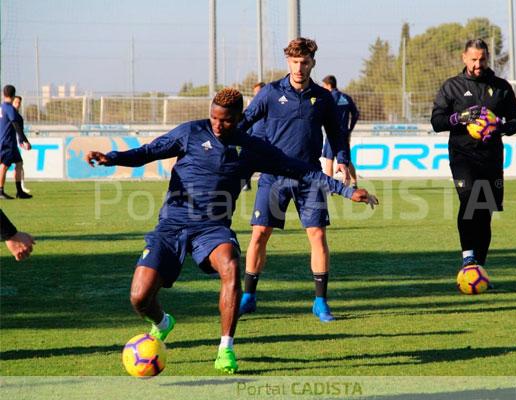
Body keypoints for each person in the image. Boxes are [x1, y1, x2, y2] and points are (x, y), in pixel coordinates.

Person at [85, 88, 377, 374]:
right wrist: (112, 157)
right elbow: (148, 152)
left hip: (212, 229)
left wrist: (344, 190)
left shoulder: (252, 148)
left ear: (238, 118)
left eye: (225, 120)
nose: (217, 124)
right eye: (214, 117)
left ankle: (226, 348)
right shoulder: (190, 133)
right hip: (172, 225)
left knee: (231, 265)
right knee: (139, 297)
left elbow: (301, 170)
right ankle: (162, 323)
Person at [238, 38, 351, 322]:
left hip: (310, 177)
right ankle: (248, 296)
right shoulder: (270, 93)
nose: (299, 68)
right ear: (288, 62)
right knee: (260, 234)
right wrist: (226, 144)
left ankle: (320, 302)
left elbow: (337, 134)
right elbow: (244, 122)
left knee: (317, 235)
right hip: (273, 176)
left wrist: (343, 160)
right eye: (295, 62)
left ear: (313, 62)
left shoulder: (324, 98)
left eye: (305, 62)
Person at [431, 38, 516, 269]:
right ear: (464, 57)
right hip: (463, 157)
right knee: (470, 199)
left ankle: (478, 268)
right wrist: (459, 118)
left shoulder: (501, 87)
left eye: (482, 59)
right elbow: (436, 121)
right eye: (473, 59)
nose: (478, 64)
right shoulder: (452, 86)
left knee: (485, 212)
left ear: (487, 58)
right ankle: (468, 257)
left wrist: (499, 124)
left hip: (491, 158)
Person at [321, 75, 360, 188]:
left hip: (331, 132)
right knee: (347, 160)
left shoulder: (328, 97)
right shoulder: (346, 97)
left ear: (328, 85)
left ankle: (330, 185)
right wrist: (350, 129)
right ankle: (354, 183)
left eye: (324, 85)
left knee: (329, 160)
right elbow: (356, 114)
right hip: (344, 133)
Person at [0, 85, 32, 199]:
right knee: (4, 165)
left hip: (11, 143)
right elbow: (16, 124)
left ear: (4, 94)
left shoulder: (2, 106)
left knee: (19, 163)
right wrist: (25, 140)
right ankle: (0, 191)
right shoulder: (9, 108)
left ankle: (19, 191)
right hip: (7, 142)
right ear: (13, 95)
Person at [241, 82, 266, 192]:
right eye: (255, 93)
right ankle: (245, 183)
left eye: (258, 92)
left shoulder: (272, 106)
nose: (256, 95)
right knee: (244, 161)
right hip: (254, 141)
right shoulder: (253, 108)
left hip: (269, 142)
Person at [12, 96, 32, 195]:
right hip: (4, 143)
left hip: (11, 145)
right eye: (16, 102)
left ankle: (21, 188)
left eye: (19, 102)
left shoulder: (19, 117)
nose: (18, 104)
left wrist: (22, 142)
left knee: (20, 164)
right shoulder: (5, 114)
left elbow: (19, 131)